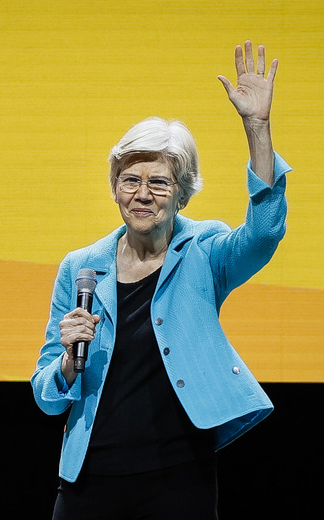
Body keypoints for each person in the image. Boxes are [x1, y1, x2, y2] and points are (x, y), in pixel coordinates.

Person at [31, 41, 290, 519]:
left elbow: (264, 233)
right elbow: (45, 395)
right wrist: (68, 362)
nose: (142, 194)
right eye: (130, 180)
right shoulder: (80, 267)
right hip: (90, 480)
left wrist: (258, 128)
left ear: (183, 193)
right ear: (114, 188)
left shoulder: (205, 250)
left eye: (158, 182)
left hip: (177, 480)